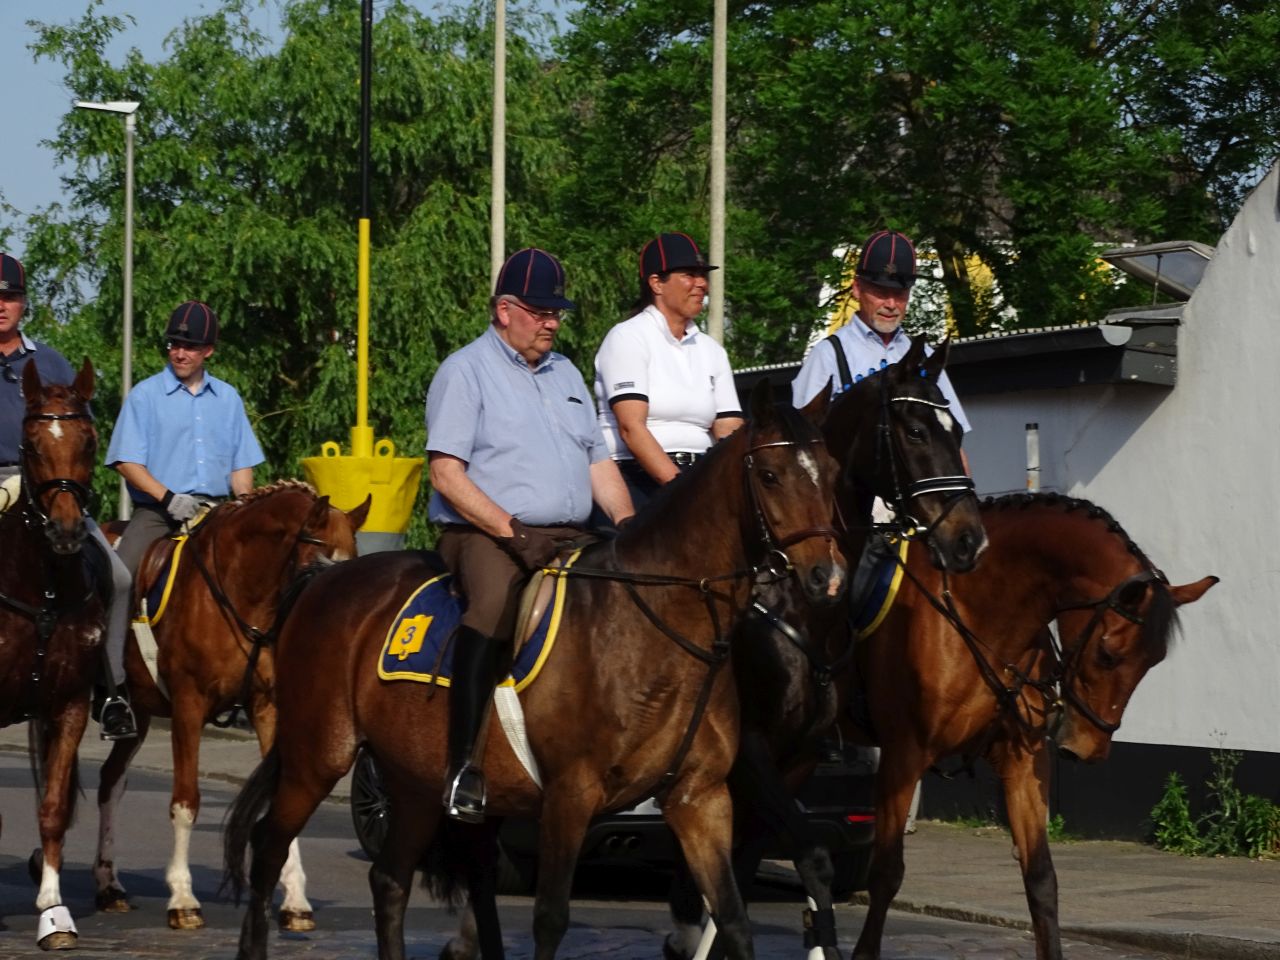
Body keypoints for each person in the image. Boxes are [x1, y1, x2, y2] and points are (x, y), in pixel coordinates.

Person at [426, 247, 634, 822]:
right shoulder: (464, 370)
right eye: (541, 311)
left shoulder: (567, 373)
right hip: (483, 532)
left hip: (570, 533)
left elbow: (598, 463)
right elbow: (446, 472)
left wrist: (629, 525)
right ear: (504, 310)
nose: (553, 321)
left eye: (557, 312)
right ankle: (462, 765)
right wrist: (512, 533)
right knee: (494, 604)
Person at [0, 252, 137, 739]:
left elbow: (82, 436)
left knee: (118, 576)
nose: (2, 305)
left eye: (11, 297)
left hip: (50, 488)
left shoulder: (50, 362)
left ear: (24, 304)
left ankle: (113, 691)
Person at [106, 299, 264, 590]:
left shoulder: (228, 399)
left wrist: (243, 505)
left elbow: (241, 467)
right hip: (159, 513)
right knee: (121, 577)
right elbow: (125, 462)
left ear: (208, 350)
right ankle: (112, 638)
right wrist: (169, 499)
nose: (179, 354)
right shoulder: (145, 395)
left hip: (216, 512)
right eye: (174, 345)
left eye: (189, 347)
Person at [593, 233, 744, 510]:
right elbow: (631, 428)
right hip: (635, 475)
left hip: (701, 473)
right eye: (689, 274)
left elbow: (729, 428)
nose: (702, 284)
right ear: (656, 283)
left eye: (703, 276)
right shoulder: (628, 337)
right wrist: (683, 490)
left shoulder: (712, 350)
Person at [792, 229, 970, 441]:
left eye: (900, 294)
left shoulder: (925, 357)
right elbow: (801, 442)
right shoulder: (828, 356)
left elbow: (952, 441)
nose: (891, 304)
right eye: (881, 292)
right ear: (857, 288)